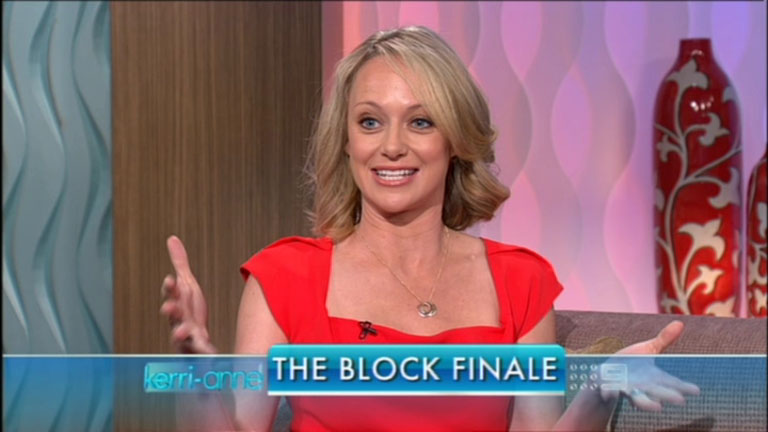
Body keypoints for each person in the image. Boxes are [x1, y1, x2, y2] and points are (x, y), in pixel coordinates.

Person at [160, 26, 699, 431]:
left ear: (455, 140)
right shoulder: (285, 276)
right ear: (346, 141)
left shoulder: (521, 282)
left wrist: (601, 390)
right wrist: (196, 370)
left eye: (420, 121)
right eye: (370, 122)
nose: (391, 146)